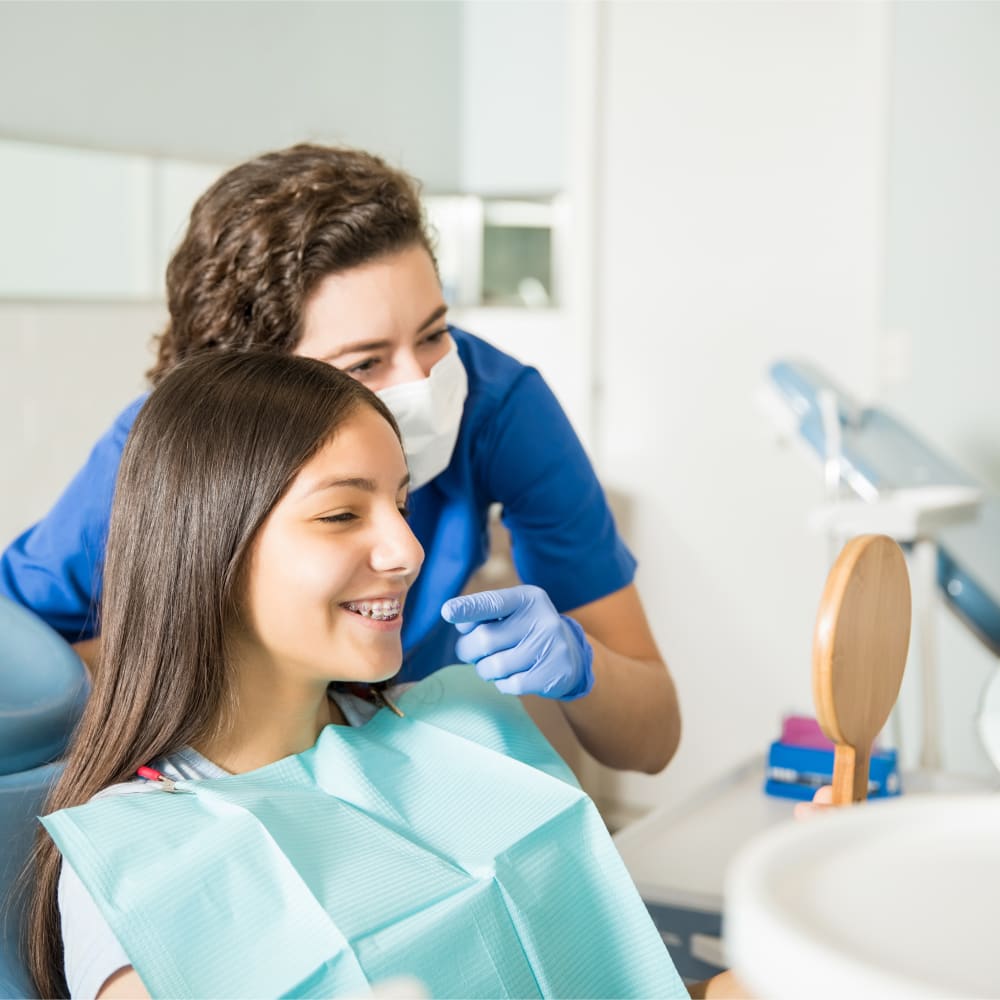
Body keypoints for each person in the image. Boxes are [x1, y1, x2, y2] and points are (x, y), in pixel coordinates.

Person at [27, 352, 735, 999]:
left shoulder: (465, 728)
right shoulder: (136, 857)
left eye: (402, 505)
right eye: (341, 514)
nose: (407, 549)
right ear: (210, 548)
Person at [0, 143, 679, 774]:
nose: (423, 383)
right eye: (364, 362)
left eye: (436, 332)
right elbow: (25, 685)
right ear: (248, 396)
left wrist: (579, 664)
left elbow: (650, 738)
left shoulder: (496, 406)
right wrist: (194, 653)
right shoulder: (161, 460)